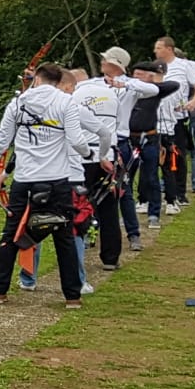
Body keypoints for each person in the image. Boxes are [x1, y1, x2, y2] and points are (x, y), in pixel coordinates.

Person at [0, 63, 91, 306]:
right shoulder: (66, 102)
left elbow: (1, 141)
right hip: (57, 181)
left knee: (11, 234)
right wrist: (88, 153)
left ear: (37, 79)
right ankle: (72, 297)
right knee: (64, 236)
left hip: (24, 181)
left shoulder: (18, 103)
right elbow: (76, 140)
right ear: (57, 81)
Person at [69, 56, 134, 271]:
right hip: (108, 156)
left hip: (83, 156)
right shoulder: (111, 95)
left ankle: (79, 252)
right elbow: (117, 123)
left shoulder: (74, 96)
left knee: (80, 205)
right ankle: (110, 257)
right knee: (109, 208)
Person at [125, 59, 180, 229]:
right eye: (134, 75)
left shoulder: (154, 91)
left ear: (149, 76)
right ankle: (128, 214)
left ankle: (154, 214)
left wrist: (153, 82)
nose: (136, 78)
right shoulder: (127, 91)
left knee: (152, 177)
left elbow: (174, 85)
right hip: (130, 138)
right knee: (126, 178)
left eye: (140, 75)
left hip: (149, 138)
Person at [156, 37, 195, 203]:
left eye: (159, 48)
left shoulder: (184, 65)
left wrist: (193, 102)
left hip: (178, 117)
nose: (155, 51)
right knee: (158, 156)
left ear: (169, 49)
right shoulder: (155, 67)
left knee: (178, 155)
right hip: (158, 118)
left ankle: (180, 193)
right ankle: (160, 191)